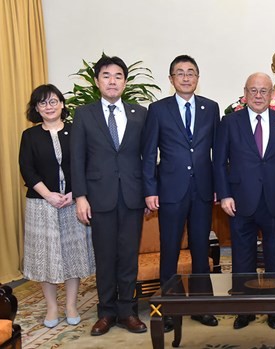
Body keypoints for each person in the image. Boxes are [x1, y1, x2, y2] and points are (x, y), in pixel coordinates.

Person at [141, 55, 220, 332]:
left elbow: (217, 153)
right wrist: (150, 189)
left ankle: (202, 307)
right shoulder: (158, 109)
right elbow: (150, 152)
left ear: (198, 78)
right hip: (170, 191)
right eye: (180, 73)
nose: (186, 78)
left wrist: (218, 188)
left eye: (191, 73)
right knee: (170, 251)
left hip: (201, 191)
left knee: (201, 250)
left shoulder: (211, 108)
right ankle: (169, 310)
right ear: (171, 79)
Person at [71, 55, 148, 336]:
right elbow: (77, 159)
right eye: (106, 75)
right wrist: (80, 196)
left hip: (132, 195)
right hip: (98, 197)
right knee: (104, 256)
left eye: (117, 76)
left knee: (128, 256)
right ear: (96, 81)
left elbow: (148, 156)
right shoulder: (83, 114)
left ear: (125, 82)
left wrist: (149, 192)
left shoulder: (140, 113)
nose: (112, 81)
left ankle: (127, 312)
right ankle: (105, 313)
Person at [213, 72, 275, 330]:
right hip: (240, 200)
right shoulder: (230, 122)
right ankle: (244, 309)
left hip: (274, 200)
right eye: (253, 91)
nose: (258, 96)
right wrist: (224, 194)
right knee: (242, 257)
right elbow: (219, 162)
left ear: (272, 95)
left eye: (264, 91)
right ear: (245, 93)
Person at [19, 84, 96, 328]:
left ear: (62, 104)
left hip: (74, 201)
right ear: (36, 109)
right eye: (42, 103)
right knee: (46, 257)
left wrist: (75, 193)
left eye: (53, 101)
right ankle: (52, 307)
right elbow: (27, 169)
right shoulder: (29, 136)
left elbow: (87, 164)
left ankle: (71, 304)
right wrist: (48, 195)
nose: (49, 107)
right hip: (42, 204)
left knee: (72, 254)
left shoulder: (76, 131)